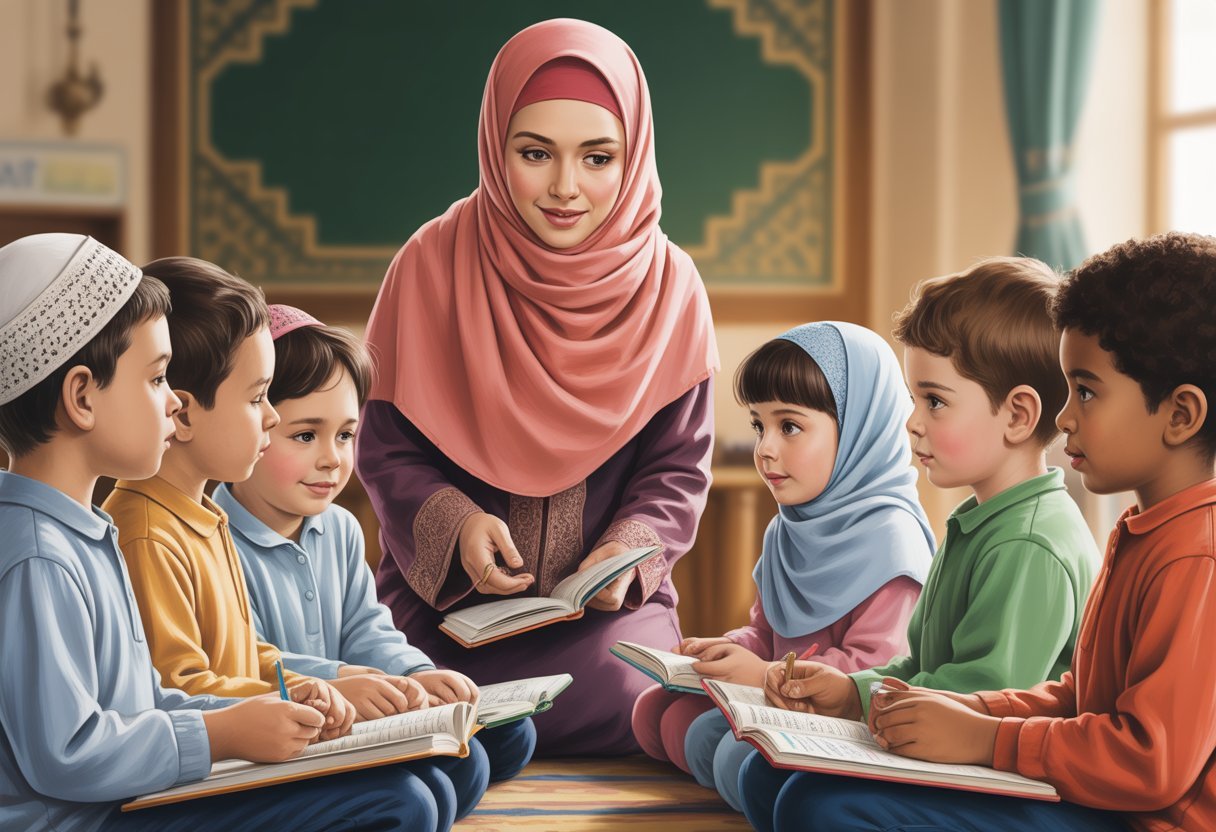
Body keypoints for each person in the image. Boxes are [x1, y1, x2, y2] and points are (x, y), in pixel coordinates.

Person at [358, 18, 718, 755]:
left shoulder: (671, 287)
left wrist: (623, 553)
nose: (564, 188)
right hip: (447, 614)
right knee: (410, 687)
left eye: (597, 157)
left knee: (640, 695)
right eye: (534, 153)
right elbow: (384, 450)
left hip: (604, 624)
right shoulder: (429, 266)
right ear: (495, 147)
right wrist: (456, 525)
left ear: (634, 155)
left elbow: (677, 467)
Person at [0, 234, 436, 832]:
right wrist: (221, 732)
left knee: (413, 790)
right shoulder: (39, 558)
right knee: (397, 803)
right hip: (91, 819)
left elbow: (147, 701)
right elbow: (67, 755)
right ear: (81, 397)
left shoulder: (86, 531)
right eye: (155, 380)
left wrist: (264, 707)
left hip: (129, 798)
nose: (171, 404)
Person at [740, 257, 1100, 832]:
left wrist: (867, 706)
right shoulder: (976, 520)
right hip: (947, 743)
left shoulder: (1031, 542)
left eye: (933, 401)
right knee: (764, 778)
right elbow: (925, 665)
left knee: (811, 806)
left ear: (1017, 415)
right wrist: (851, 693)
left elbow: (983, 692)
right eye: (912, 400)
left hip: (1010, 774)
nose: (911, 423)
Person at [214, 304, 535, 784]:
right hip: (288, 729)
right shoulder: (211, 536)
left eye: (345, 435)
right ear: (253, 427)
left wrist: (414, 674)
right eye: (305, 435)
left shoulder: (339, 528)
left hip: (357, 705)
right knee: (451, 775)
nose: (332, 460)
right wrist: (344, 681)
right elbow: (246, 660)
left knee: (514, 734)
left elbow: (367, 628)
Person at [633, 322, 932, 812]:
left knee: (723, 745)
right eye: (759, 425)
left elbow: (875, 673)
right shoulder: (787, 531)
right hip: (778, 696)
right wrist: (728, 650)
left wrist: (765, 673)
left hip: (842, 718)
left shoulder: (892, 542)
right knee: (655, 710)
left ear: (859, 426)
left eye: (789, 426)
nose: (765, 448)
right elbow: (767, 633)